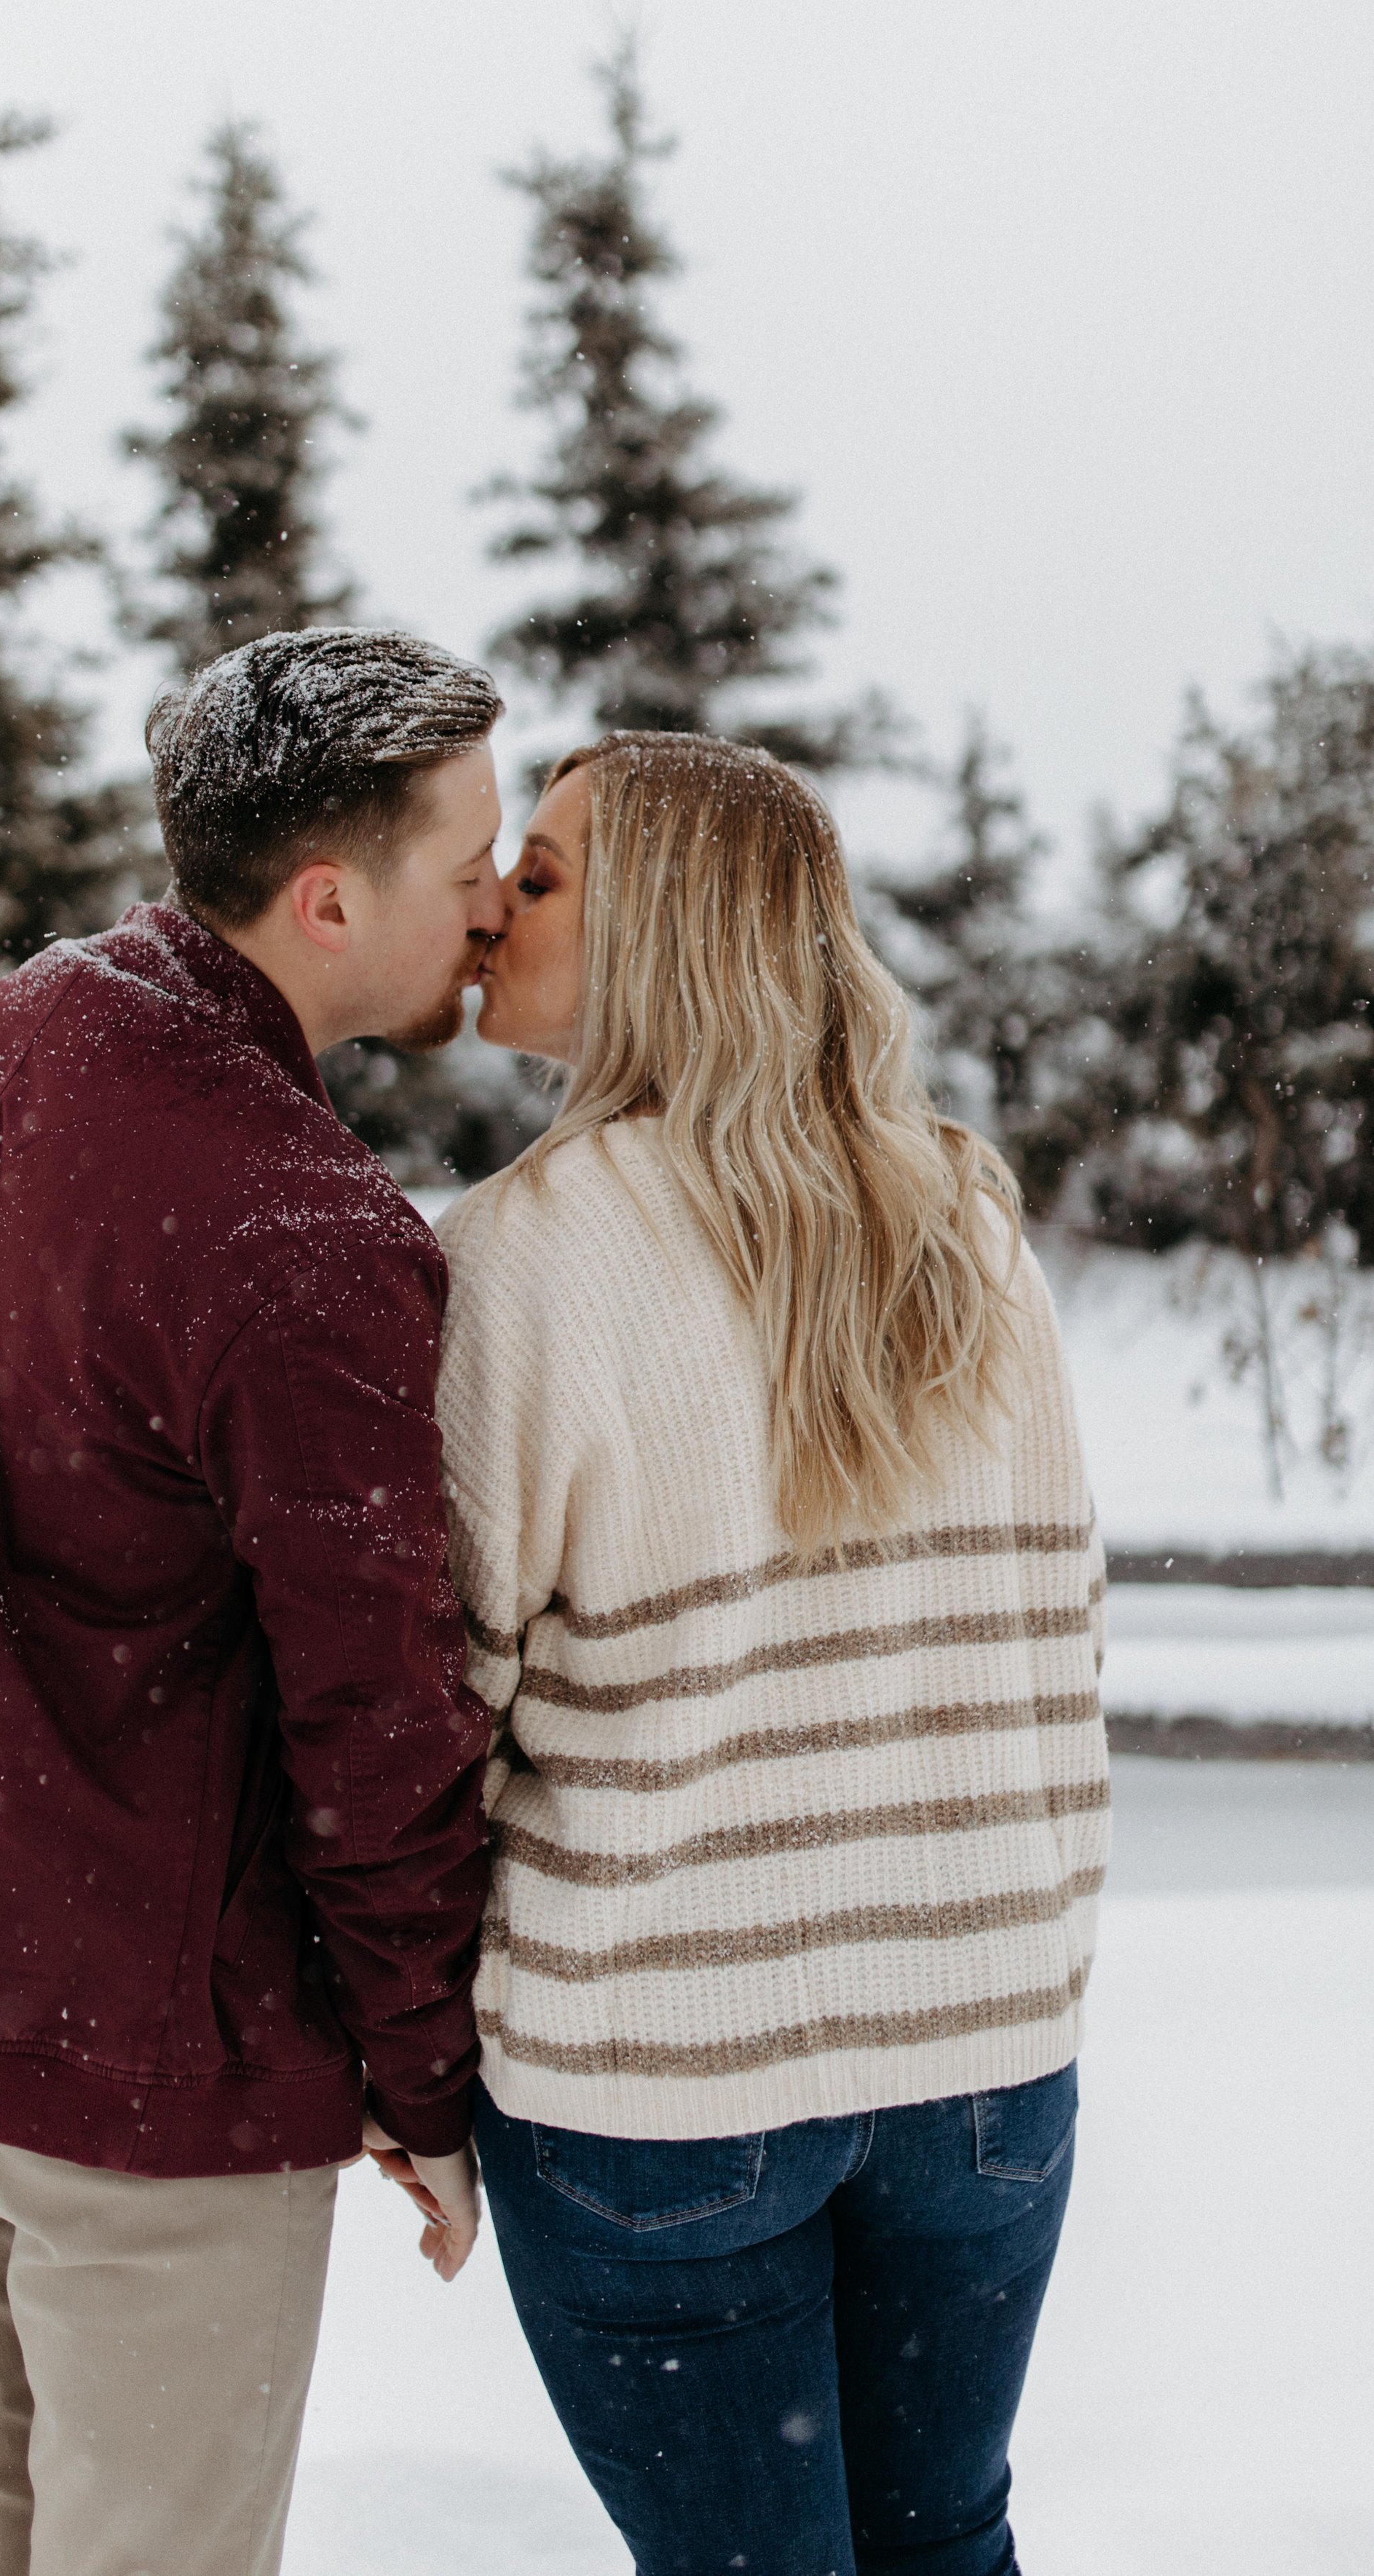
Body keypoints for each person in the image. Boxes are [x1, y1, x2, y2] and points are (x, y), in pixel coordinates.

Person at [0, 628, 505, 2576]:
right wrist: (422, 2069)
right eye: (470, 857)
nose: (494, 901)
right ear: (330, 899)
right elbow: (377, 1714)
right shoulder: (299, 1226)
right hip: (132, 2061)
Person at [436, 733, 1108, 2576]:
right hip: (981, 2058)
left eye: (549, 875)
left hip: (661, 2078)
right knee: (944, 2547)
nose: (494, 905)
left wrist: (405, 2068)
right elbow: (1055, 1633)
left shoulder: (516, 1259)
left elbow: (444, 1706)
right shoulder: (960, 1210)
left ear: (667, 932)